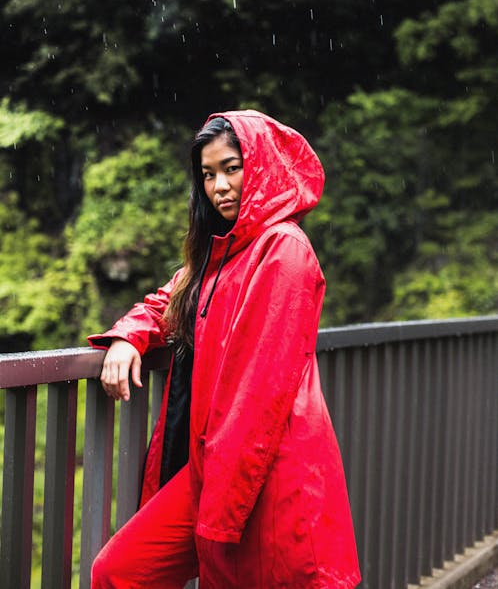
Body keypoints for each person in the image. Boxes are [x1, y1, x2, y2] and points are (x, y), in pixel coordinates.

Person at [88, 109, 361, 589]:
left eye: (231, 168)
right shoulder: (220, 254)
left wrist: (221, 515)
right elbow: (166, 304)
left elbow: (260, 393)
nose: (219, 186)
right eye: (208, 174)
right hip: (212, 467)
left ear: (260, 165)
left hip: (266, 471)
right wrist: (127, 336)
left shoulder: (284, 249)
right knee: (117, 570)